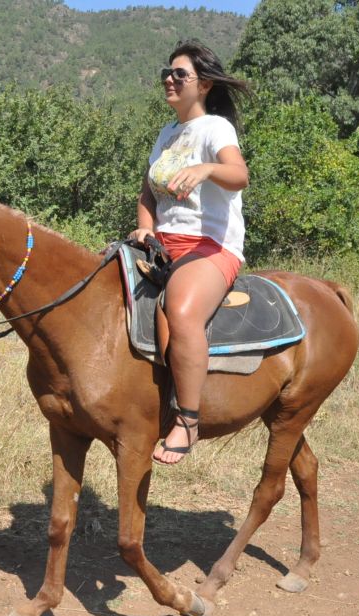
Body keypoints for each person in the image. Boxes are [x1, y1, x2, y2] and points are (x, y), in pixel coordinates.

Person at [130, 40, 251, 465]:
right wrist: (145, 228)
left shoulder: (216, 128)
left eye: (180, 74)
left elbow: (239, 175)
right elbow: (149, 189)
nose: (169, 78)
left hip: (210, 247)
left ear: (203, 85)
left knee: (180, 309)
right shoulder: (166, 134)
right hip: (163, 245)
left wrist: (207, 169)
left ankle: (188, 420)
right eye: (167, 71)